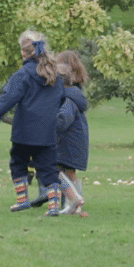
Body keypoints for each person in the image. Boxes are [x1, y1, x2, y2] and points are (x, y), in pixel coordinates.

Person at [0, 29, 64, 214]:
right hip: (48, 131)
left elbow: (8, 98)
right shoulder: (55, 76)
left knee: (18, 163)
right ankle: (54, 206)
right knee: (48, 168)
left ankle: (22, 200)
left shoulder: (23, 75)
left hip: (25, 131)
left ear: (23, 53)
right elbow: (61, 98)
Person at [54, 50, 90, 217]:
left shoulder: (69, 97)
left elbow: (63, 120)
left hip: (68, 140)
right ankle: (75, 207)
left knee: (51, 169)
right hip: (77, 139)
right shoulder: (76, 93)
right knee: (70, 173)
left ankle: (73, 199)